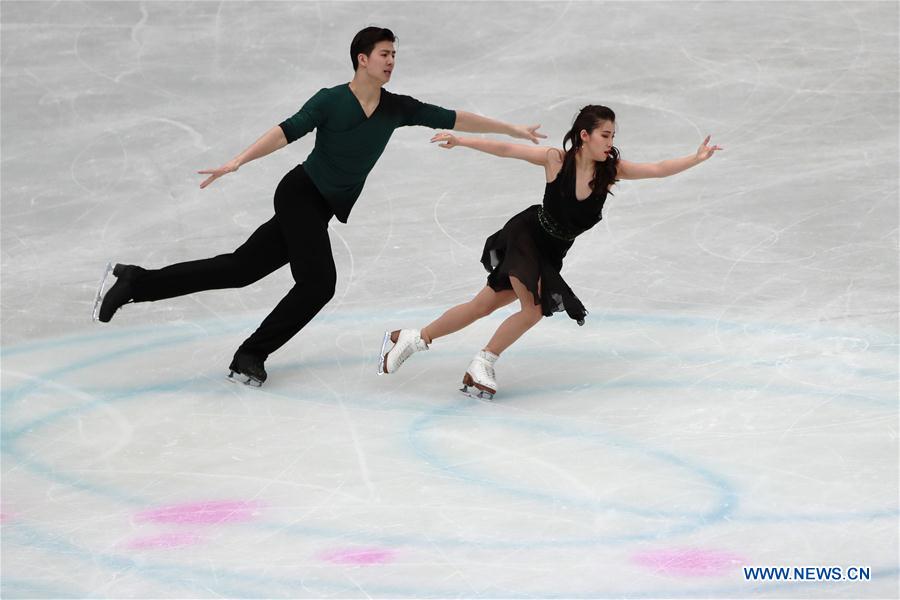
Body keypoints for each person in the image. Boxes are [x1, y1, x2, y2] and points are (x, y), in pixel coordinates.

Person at [94, 26, 546, 387]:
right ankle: (251, 353)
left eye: (394, 55)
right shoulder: (331, 100)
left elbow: (455, 117)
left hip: (320, 206)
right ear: (362, 59)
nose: (391, 61)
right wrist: (237, 161)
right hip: (300, 194)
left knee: (239, 269)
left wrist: (513, 129)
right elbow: (286, 130)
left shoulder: (396, 108)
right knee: (318, 284)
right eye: (384, 54)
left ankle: (136, 281)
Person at [378, 104, 722, 400]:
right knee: (533, 310)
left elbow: (658, 169)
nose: (610, 143)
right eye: (605, 135)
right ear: (585, 135)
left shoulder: (610, 172)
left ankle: (413, 338)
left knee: (481, 306)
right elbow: (506, 150)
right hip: (527, 237)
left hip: (551, 253)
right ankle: (483, 362)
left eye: (613, 136)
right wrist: (462, 140)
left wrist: (695, 159)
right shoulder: (556, 160)